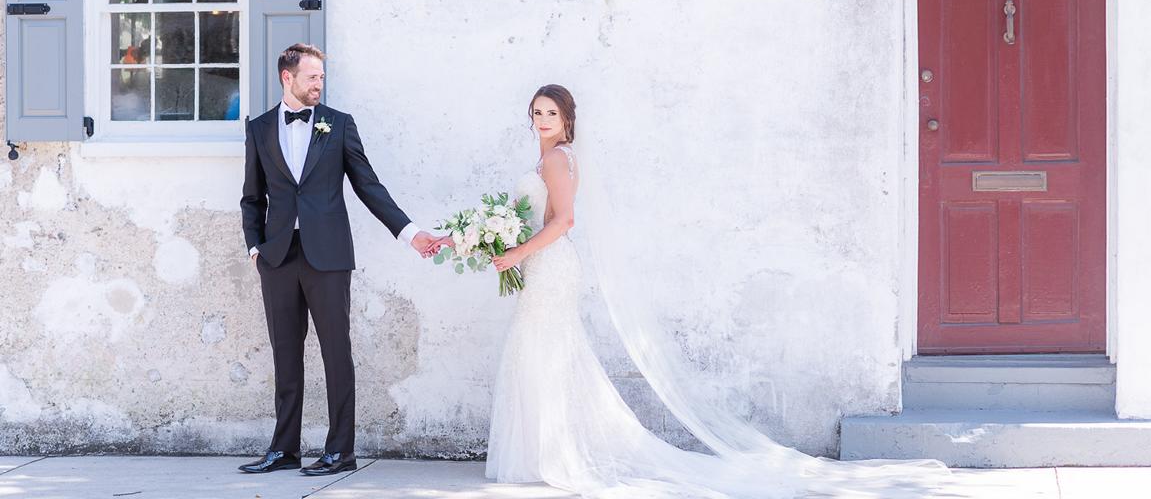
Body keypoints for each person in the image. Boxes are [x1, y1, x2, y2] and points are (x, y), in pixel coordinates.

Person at [485, 85, 947, 498]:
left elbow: (564, 222)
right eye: (537, 112)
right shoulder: (553, 159)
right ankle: (542, 451)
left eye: (551, 113)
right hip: (542, 265)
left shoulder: (555, 158)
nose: (543, 120)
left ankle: (553, 453)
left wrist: (515, 253)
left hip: (549, 264)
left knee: (545, 351)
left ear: (567, 120)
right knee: (543, 352)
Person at [238, 43, 445, 477]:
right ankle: (284, 448)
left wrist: (410, 233)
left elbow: (369, 186)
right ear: (286, 78)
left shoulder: (339, 125)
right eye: (311, 76)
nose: (319, 83)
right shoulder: (257, 129)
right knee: (285, 355)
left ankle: (340, 450)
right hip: (277, 257)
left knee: (336, 352)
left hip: (328, 257)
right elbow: (252, 196)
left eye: (321, 77)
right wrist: (255, 246)